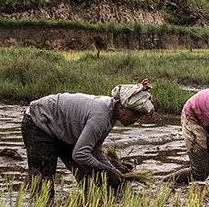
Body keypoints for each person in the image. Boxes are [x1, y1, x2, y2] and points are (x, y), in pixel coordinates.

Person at [22, 80, 154, 196]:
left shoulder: (111, 116)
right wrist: (108, 170)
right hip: (39, 121)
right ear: (122, 105)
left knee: (88, 180)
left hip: (62, 129)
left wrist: (111, 169)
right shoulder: (101, 117)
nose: (135, 120)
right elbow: (80, 154)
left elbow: (94, 148)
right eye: (134, 114)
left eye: (139, 116)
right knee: (43, 188)